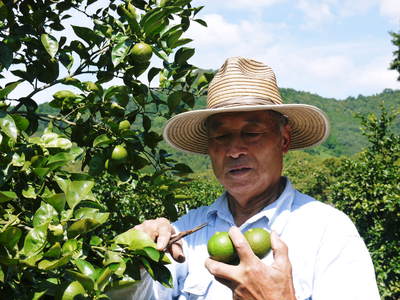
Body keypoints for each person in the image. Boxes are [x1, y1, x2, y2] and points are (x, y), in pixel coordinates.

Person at [108, 57, 380, 299]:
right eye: (221, 136)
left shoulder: (327, 232)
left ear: (283, 140)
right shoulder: (188, 232)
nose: (234, 150)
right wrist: (132, 258)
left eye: (252, 134)